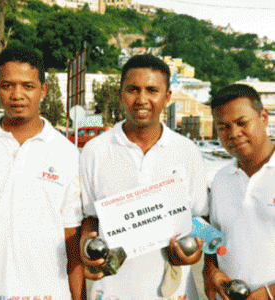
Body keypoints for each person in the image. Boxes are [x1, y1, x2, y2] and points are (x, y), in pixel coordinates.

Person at [79, 54, 208, 300]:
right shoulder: (95, 150)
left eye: (152, 90)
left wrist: (195, 251)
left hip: (174, 293)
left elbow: (200, 218)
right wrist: (87, 243)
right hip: (112, 291)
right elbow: (90, 219)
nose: (142, 99)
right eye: (133, 90)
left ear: (167, 97)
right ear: (120, 94)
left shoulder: (187, 151)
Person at [0, 47, 85, 300]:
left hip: (46, 294)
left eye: (28, 86)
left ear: (43, 90)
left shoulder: (67, 154)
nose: (17, 95)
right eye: (7, 85)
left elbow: (72, 243)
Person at [204, 83, 275, 300]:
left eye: (241, 123)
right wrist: (210, 270)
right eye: (223, 127)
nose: (233, 133)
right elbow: (213, 237)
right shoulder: (220, 179)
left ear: (263, 117)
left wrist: (268, 294)